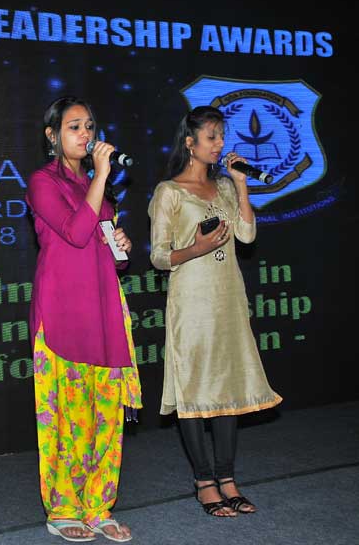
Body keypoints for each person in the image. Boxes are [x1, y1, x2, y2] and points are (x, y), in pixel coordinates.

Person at [147, 105, 282, 517]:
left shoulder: (224, 185)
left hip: (228, 299)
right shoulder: (169, 192)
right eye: (212, 137)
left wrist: (240, 185)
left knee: (227, 386)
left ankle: (228, 477)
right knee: (194, 388)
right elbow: (158, 256)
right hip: (191, 302)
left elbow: (247, 235)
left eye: (222, 136)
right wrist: (197, 248)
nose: (220, 144)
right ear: (190, 143)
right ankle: (204, 481)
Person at [26, 96, 142, 542]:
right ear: (52, 135)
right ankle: (63, 509)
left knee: (106, 417)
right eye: (74, 126)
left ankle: (98, 506)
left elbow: (106, 254)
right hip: (63, 313)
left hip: (103, 308)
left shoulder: (97, 187)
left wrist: (120, 246)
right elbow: (75, 233)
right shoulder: (43, 182)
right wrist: (102, 178)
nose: (86, 134)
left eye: (90, 126)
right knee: (67, 418)